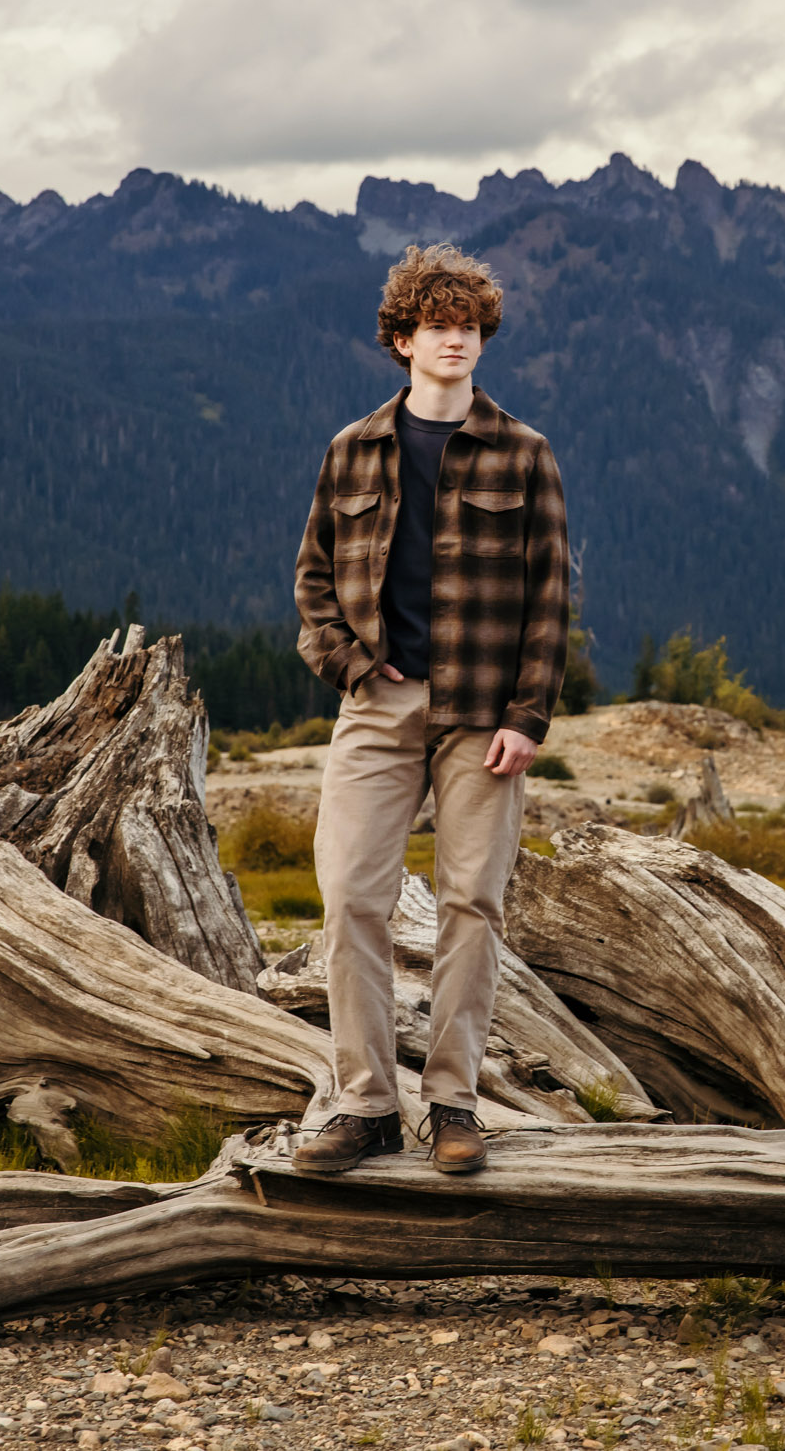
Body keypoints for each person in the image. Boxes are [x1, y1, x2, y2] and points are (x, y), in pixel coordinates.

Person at [288, 243, 569, 1175]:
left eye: (470, 326)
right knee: (352, 901)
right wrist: (347, 666)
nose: (455, 339)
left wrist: (528, 717)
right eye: (437, 326)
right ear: (402, 338)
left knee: (471, 907)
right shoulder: (352, 449)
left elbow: (549, 600)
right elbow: (314, 576)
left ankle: (453, 1104)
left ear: (483, 338)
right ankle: (365, 1104)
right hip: (378, 703)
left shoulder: (524, 454)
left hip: (484, 716)